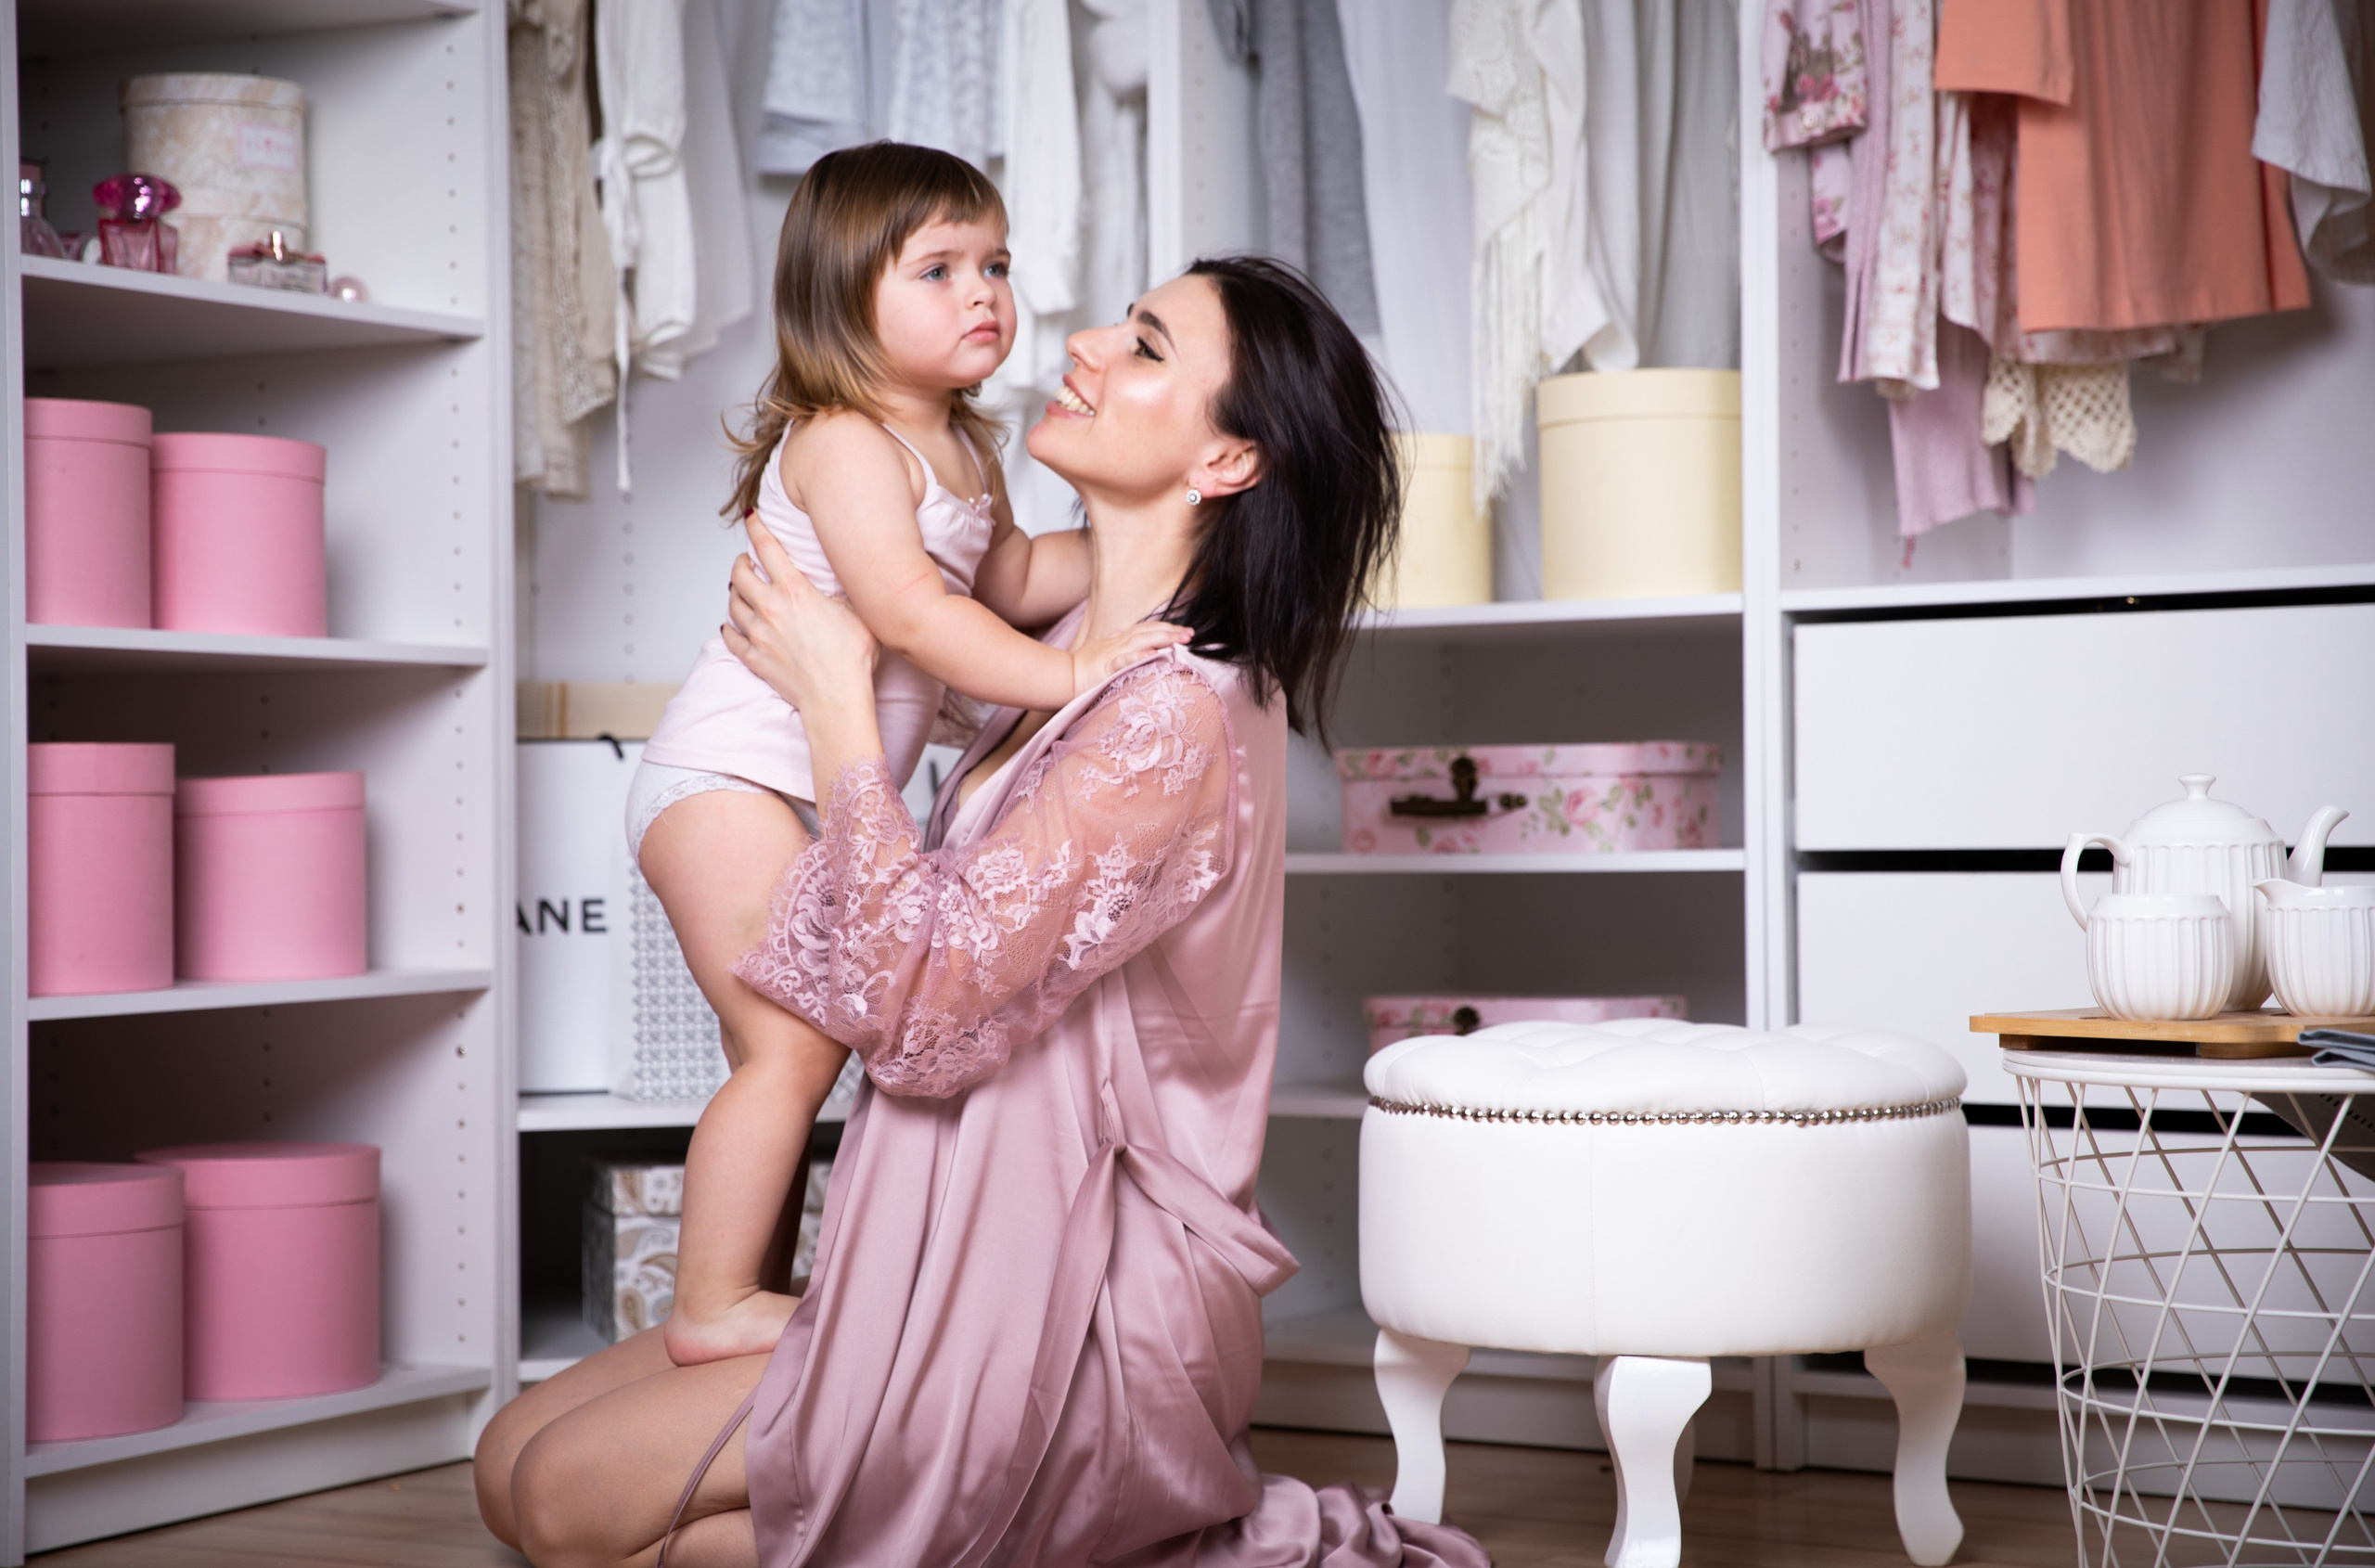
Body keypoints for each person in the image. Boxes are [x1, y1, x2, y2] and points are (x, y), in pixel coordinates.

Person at [476, 255, 1492, 1568]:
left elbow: (924, 998)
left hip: (1061, 1304)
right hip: (933, 1263)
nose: (1079, 345)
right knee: (510, 1462)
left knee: (567, 1504)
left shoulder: (1177, 709)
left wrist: (840, 698)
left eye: (1143, 347)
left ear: (1230, 462)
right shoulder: (1048, 660)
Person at [629, 142, 1188, 1367]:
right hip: (728, 777)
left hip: (790, 790)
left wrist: (1151, 543)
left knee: (774, 1054)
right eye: (936, 270)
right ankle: (712, 1304)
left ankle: (747, 1290)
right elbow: (916, 613)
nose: (983, 292)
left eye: (993, 263)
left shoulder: (964, 449)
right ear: (842, 300)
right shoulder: (844, 440)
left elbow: (1012, 575)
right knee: (794, 1043)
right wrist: (1073, 672)